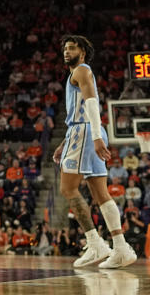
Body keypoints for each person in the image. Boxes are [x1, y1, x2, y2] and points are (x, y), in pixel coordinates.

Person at [53, 35, 136, 269]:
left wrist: (96, 136)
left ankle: (95, 242)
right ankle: (120, 247)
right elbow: (80, 110)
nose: (66, 52)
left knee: (68, 188)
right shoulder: (79, 73)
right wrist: (65, 142)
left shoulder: (81, 70)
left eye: (72, 48)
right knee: (101, 194)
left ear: (84, 51)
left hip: (86, 132)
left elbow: (91, 103)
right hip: (83, 132)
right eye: (65, 49)